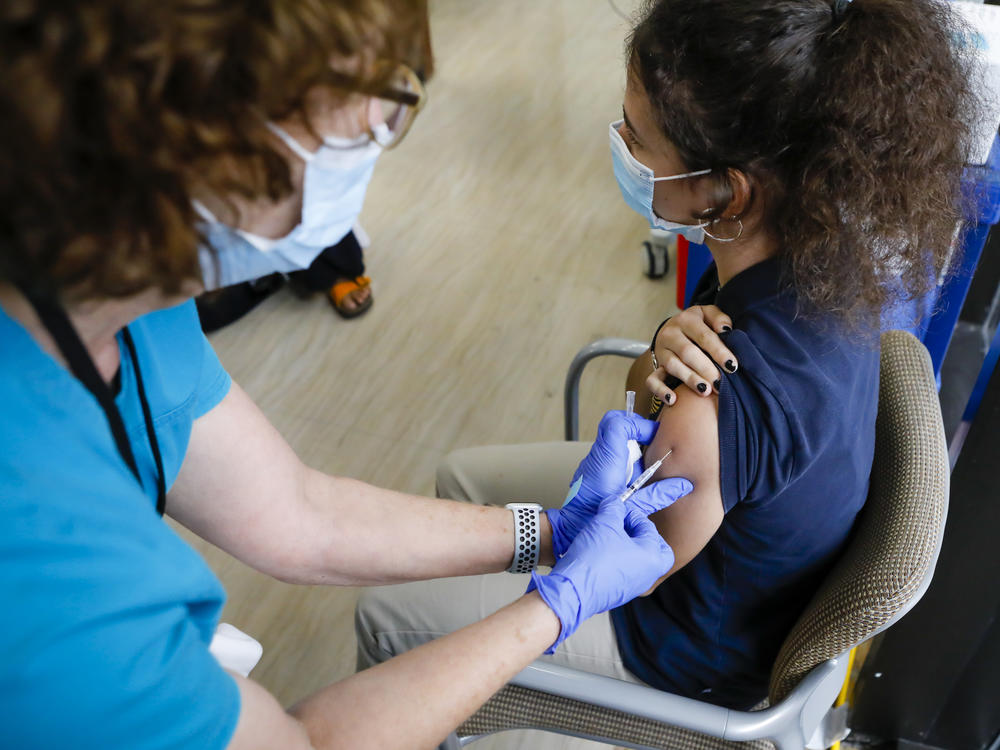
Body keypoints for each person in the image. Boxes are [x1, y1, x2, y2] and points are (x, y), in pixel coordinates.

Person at [0, 2, 696, 749]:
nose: (376, 145)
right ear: (194, 145)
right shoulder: (37, 555)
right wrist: (554, 610)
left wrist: (554, 532)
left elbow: (299, 514)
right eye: (363, 125)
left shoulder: (121, 299)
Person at [355, 0, 978, 741]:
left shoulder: (712, 400)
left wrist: (536, 589)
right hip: (739, 568)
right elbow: (651, 396)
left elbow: (635, 571)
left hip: (676, 651)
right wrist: (658, 356)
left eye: (638, 137)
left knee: (385, 617)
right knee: (462, 475)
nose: (619, 146)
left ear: (727, 190)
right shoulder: (818, 264)